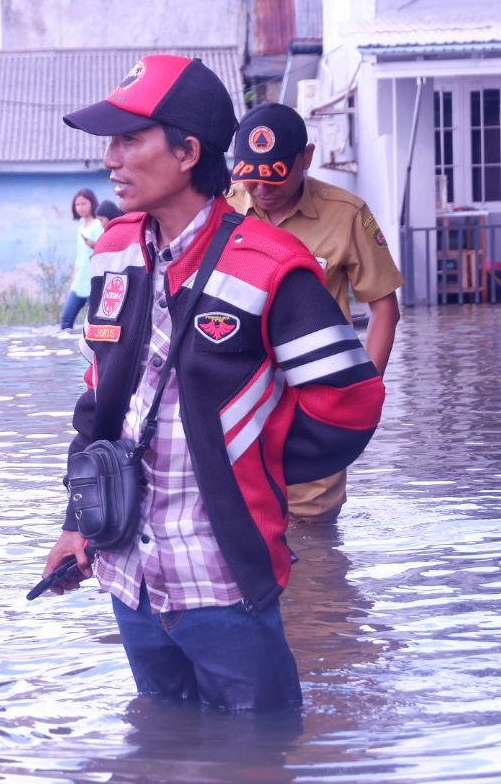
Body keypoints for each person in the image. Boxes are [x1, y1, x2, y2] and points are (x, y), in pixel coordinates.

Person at [43, 54, 386, 710]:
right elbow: (98, 403)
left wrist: (254, 461)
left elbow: (352, 406)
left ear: (186, 152)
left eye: (129, 139)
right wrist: (77, 522)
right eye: (110, 140)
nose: (110, 157)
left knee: (258, 751)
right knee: (166, 741)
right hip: (129, 572)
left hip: (222, 573)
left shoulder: (270, 263)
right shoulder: (114, 248)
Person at [226, 102, 404, 521]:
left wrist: (360, 396)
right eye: (251, 178)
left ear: (306, 158)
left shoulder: (346, 215)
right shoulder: (222, 211)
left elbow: (383, 310)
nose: (262, 191)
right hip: (238, 404)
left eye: (275, 177)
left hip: (312, 406)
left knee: (315, 541)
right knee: (240, 528)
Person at [59, 189, 103, 330]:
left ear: (92, 203)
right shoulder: (80, 228)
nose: (81, 207)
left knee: (94, 322)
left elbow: (102, 249)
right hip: (79, 281)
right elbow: (79, 257)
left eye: (84, 203)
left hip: (93, 280)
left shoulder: (98, 224)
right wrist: (73, 278)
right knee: (66, 320)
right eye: (77, 204)